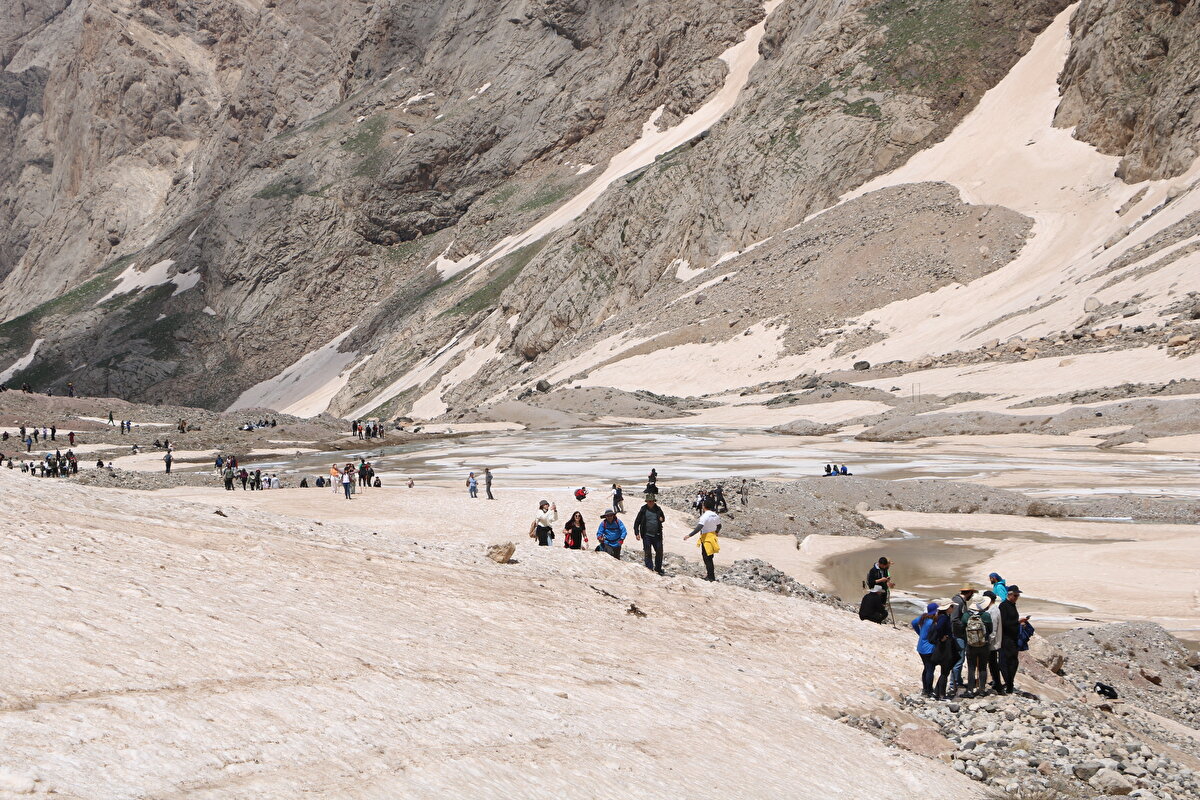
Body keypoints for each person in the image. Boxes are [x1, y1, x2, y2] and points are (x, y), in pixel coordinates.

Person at [963, 597, 995, 698]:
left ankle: (970, 690)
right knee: (983, 667)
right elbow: (990, 630)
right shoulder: (986, 615)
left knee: (971, 668)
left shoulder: (966, 615)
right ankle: (982, 690)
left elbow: (962, 627)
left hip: (970, 645)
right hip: (983, 645)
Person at [949, 583, 976, 696]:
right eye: (972, 593)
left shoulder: (959, 600)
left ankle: (957, 681)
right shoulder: (959, 602)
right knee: (959, 659)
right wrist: (965, 626)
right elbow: (954, 619)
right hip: (958, 635)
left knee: (959, 659)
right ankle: (953, 684)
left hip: (957, 634)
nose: (972, 595)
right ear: (969, 592)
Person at [683, 500, 721, 581]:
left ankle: (710, 577)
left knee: (707, 558)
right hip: (713, 537)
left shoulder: (705, 516)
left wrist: (689, 535)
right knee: (710, 557)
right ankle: (711, 575)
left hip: (706, 538)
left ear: (704, 506)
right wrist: (717, 532)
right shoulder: (715, 515)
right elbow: (719, 526)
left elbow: (699, 527)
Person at [998, 584, 1024, 695]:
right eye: (1015, 595)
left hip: (1013, 638)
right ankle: (1009, 684)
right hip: (1006, 638)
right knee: (1005, 661)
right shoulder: (1003, 606)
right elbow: (1004, 623)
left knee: (1013, 661)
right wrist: (1018, 622)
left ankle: (1009, 683)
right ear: (1009, 595)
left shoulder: (1013, 605)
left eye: (1018, 596)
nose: (1017, 597)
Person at [912, 602, 940, 697]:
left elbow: (913, 623)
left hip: (921, 647)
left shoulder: (923, 618)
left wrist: (920, 633)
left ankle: (925, 689)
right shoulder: (933, 621)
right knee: (930, 669)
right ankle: (929, 690)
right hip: (929, 648)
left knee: (926, 667)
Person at [633, 496, 666, 574]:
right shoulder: (643, 510)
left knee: (659, 552)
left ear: (654, 501)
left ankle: (658, 569)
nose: (651, 502)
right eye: (649, 501)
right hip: (646, 535)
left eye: (652, 501)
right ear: (646, 501)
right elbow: (637, 522)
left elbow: (663, 518)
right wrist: (637, 533)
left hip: (657, 535)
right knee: (647, 552)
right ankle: (649, 568)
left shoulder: (658, 509)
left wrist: (662, 519)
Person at [981, 590, 1004, 693]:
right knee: (992, 664)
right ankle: (997, 684)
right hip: (992, 642)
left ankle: (998, 685)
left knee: (993, 664)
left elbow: (993, 629)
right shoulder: (992, 609)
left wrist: (987, 641)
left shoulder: (993, 611)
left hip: (992, 643)